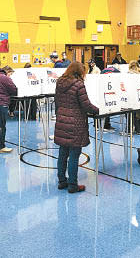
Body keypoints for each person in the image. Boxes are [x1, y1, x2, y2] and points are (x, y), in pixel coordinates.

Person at [54, 62, 99, 192]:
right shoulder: (79, 84)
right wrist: (99, 110)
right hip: (75, 123)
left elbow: (57, 101)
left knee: (63, 154)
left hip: (62, 120)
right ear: (80, 72)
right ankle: (73, 185)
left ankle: (62, 181)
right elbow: (86, 106)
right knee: (74, 154)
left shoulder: (60, 82)